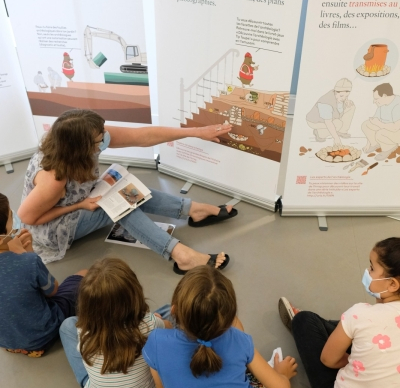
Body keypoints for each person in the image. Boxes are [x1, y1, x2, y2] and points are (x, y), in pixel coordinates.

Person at [18, 110, 238, 272]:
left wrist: (197, 132)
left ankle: (193, 210)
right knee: (123, 206)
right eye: (99, 140)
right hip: (54, 229)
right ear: (81, 147)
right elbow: (27, 218)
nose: (105, 139)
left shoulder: (84, 136)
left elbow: (143, 136)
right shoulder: (53, 179)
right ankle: (181, 255)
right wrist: (79, 205)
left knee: (126, 188)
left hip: (77, 200)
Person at [141, 266, 297, 388]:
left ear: (174, 311)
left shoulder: (156, 342)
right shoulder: (240, 341)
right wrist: (280, 373)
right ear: (230, 317)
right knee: (261, 380)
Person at [278, 237, 400, 388]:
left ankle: (326, 332)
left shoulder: (360, 313)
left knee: (304, 320)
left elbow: (329, 360)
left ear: (392, 284)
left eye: (372, 268)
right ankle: (343, 335)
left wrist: (349, 361)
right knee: (362, 331)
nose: (367, 273)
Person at [60, 257, 171, 388]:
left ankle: (93, 383)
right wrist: (154, 320)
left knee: (67, 325)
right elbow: (168, 328)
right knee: (169, 310)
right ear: (135, 294)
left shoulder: (83, 331)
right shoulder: (149, 323)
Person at [0, 193, 86, 357]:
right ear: (5, 226)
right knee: (84, 274)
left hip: (6, 341)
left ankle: (16, 346)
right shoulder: (29, 261)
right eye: (11, 216)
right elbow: (52, 290)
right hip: (42, 337)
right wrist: (29, 253)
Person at [306, 78, 354, 145]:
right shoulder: (326, 103)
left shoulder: (339, 96)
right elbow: (328, 122)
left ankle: (342, 131)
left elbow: (342, 100)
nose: (343, 98)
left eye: (346, 96)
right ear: (335, 92)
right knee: (338, 123)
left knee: (351, 107)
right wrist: (336, 138)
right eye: (341, 96)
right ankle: (320, 133)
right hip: (316, 121)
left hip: (332, 117)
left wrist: (346, 101)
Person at [361, 83, 400, 161]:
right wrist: (368, 144)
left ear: (384, 96)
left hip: (397, 132)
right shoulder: (382, 104)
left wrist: (379, 124)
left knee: (380, 133)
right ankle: (375, 144)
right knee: (366, 124)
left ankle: (388, 148)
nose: (374, 101)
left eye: (376, 98)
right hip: (386, 128)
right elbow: (374, 121)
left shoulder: (398, 104)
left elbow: (396, 128)